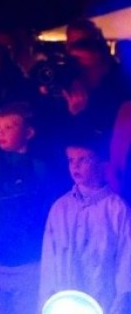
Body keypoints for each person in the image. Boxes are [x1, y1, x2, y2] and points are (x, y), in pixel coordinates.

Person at [0, 102, 58, 314]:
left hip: (27, 264)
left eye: (9, 127)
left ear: (28, 132)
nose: (1, 133)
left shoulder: (39, 169)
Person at [40, 132, 131, 314]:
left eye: (83, 160)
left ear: (101, 162)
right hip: (66, 303)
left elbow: (125, 262)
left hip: (104, 302)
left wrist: (121, 304)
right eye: (71, 160)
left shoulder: (117, 209)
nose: (75, 166)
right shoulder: (60, 208)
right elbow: (49, 259)